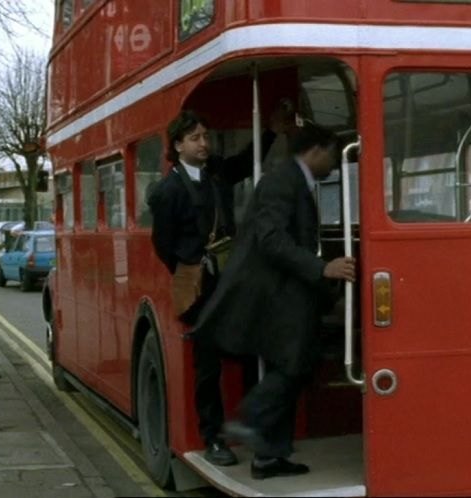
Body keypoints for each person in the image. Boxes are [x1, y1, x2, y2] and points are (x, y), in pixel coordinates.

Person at [192, 121, 356, 480]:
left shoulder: (292, 179)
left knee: (298, 362)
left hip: (285, 291)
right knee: (294, 363)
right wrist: (322, 268)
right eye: (331, 155)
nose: (333, 164)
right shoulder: (283, 181)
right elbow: (271, 239)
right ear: (315, 151)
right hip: (271, 293)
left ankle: (269, 456)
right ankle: (249, 419)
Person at [147, 108, 288, 466]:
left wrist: (271, 132)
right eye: (195, 138)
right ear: (178, 145)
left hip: (230, 281)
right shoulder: (167, 191)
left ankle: (251, 427)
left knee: (251, 350)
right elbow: (163, 245)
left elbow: (244, 163)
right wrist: (192, 268)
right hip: (199, 287)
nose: (203, 143)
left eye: (206, 136)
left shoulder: (216, 174)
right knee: (207, 368)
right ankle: (213, 439)